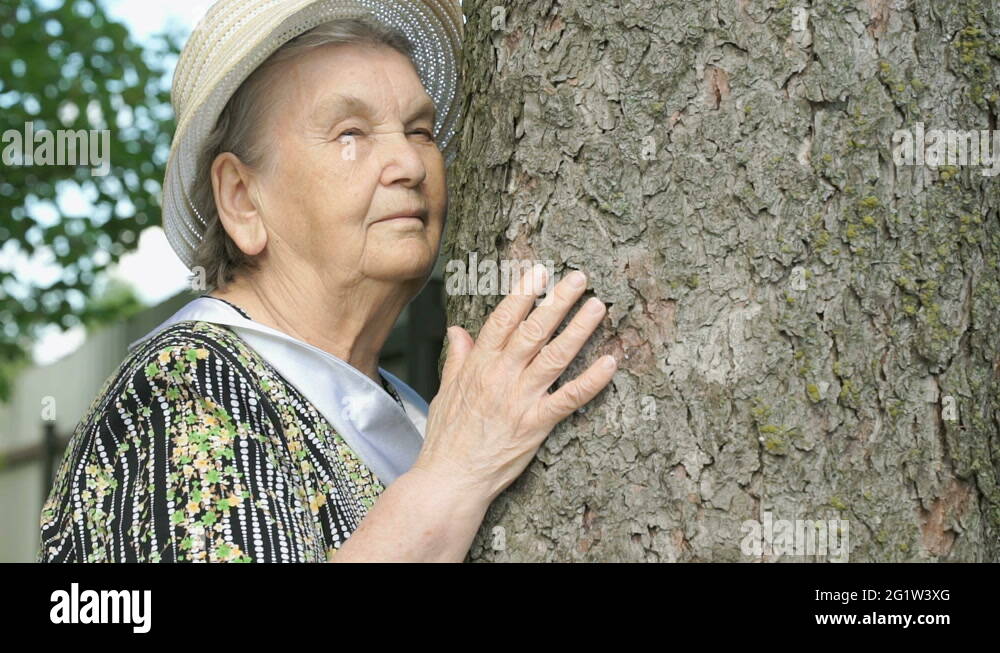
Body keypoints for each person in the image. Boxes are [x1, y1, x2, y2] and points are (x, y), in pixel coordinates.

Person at [37, 0, 617, 563]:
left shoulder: (406, 408)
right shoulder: (183, 390)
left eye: (419, 130)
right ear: (242, 199)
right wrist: (456, 472)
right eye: (350, 134)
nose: (410, 165)